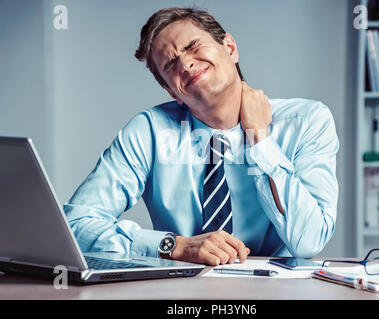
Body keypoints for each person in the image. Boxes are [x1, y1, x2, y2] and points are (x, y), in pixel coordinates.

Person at [64, 7, 339, 266]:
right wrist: (175, 246)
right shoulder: (149, 131)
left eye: (192, 46)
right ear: (172, 91)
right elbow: (76, 224)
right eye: (171, 63)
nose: (185, 63)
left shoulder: (306, 122)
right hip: (181, 290)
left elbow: (309, 241)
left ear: (229, 48)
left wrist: (260, 141)